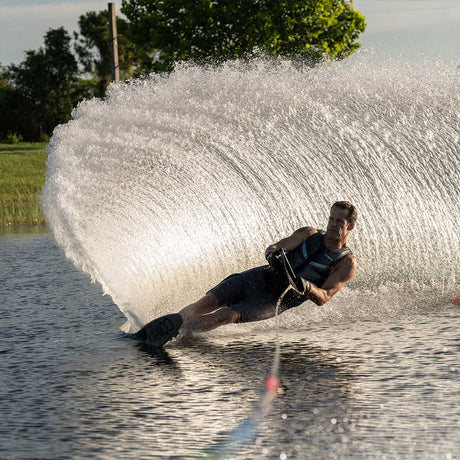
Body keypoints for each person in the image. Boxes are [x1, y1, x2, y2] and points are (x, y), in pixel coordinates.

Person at [176, 201, 358, 333]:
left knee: (226, 315)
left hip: (275, 300)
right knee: (207, 303)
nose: (332, 225)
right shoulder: (309, 233)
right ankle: (171, 324)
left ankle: (177, 333)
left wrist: (307, 286)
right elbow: (276, 246)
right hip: (259, 278)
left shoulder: (346, 262)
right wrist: (272, 254)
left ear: (350, 226)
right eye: (331, 219)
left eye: (339, 222)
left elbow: (324, 297)